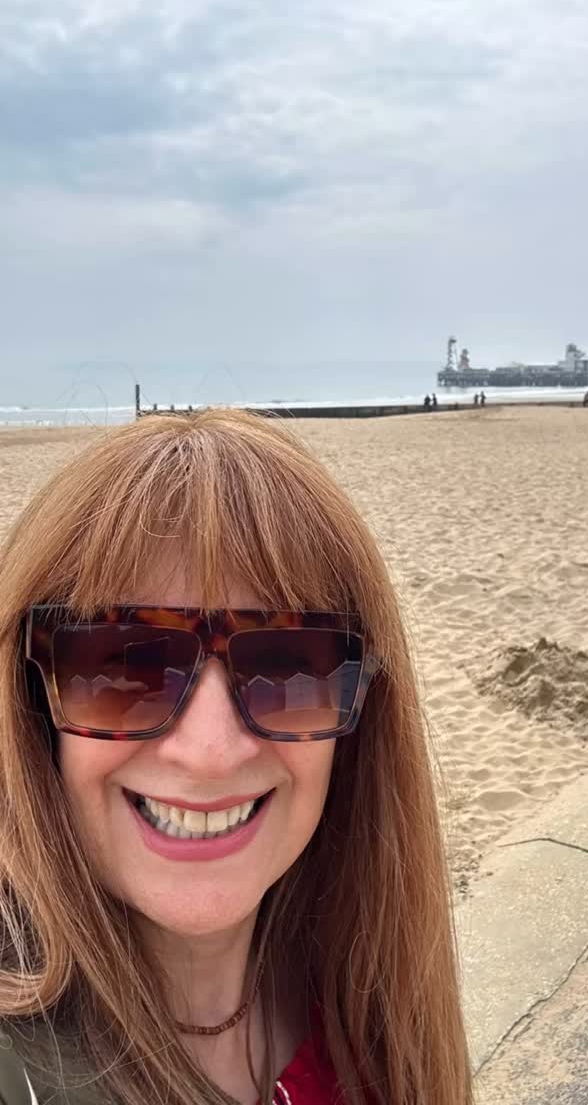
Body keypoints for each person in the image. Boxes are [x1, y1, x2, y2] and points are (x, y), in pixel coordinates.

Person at [0, 410, 472, 1105]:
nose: (212, 751)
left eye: (288, 667)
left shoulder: (363, 996)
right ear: (32, 704)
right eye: (125, 666)